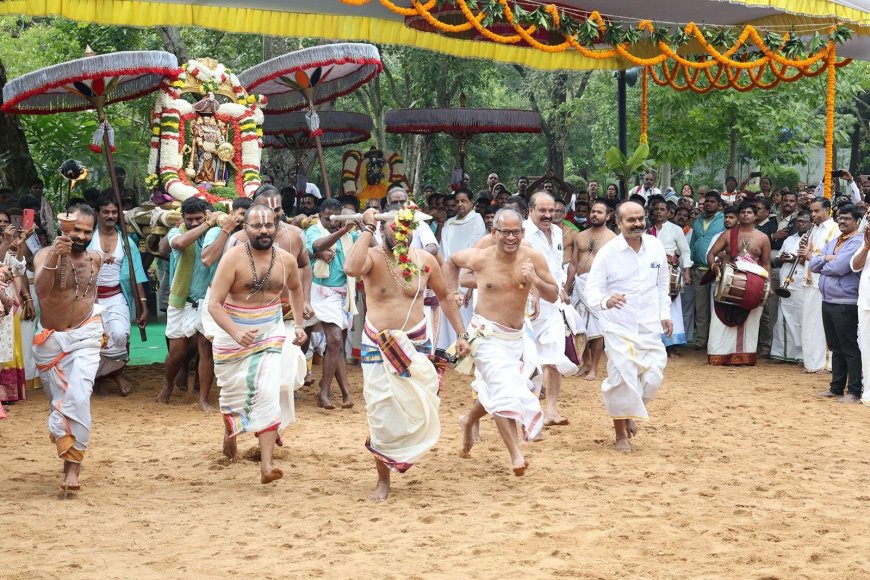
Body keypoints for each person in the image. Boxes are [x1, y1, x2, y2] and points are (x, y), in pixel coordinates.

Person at [345, 207, 470, 501]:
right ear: (382, 228)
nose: (401, 231)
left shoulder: (425, 261)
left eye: (407, 226)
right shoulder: (372, 258)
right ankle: (383, 480)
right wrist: (366, 228)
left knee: (417, 408)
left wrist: (462, 334)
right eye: (393, 226)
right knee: (380, 412)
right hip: (379, 343)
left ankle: (402, 452)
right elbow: (351, 268)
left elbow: (445, 297)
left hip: (416, 345)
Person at [444, 208, 559, 475]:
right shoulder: (480, 258)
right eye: (504, 232)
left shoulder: (534, 258)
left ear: (523, 232)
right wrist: (453, 292)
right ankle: (516, 454)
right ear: (494, 233)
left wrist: (535, 281)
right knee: (505, 392)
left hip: (517, 338)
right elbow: (451, 262)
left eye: (516, 232)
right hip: (486, 336)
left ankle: (469, 420)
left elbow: (554, 295)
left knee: (500, 390)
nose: (510, 237)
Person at [207, 205, 307, 483]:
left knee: (267, 390)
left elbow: (297, 290)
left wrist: (298, 325)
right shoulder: (233, 258)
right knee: (233, 392)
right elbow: (214, 304)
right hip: (233, 334)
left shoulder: (286, 259)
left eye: (269, 226)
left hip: (270, 331)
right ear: (245, 229)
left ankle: (266, 465)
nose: (264, 231)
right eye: (257, 226)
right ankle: (230, 432)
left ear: (276, 226)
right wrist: (237, 332)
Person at [585, 201, 672, 452]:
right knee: (623, 377)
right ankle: (620, 434)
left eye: (641, 218)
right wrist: (605, 301)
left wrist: (664, 314)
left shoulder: (655, 246)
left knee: (653, 377)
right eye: (631, 220)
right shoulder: (608, 252)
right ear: (619, 223)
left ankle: (631, 409)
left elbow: (662, 283)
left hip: (649, 324)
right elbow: (592, 290)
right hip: (618, 326)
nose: (637, 224)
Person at [32, 204, 103, 493]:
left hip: (85, 336)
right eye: (76, 229)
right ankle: (66, 457)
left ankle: (73, 468)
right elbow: (41, 289)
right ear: (64, 226)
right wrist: (54, 255)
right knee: (60, 404)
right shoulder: (43, 255)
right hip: (51, 341)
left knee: (79, 395)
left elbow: (89, 296)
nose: (81, 236)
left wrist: (99, 325)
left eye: (87, 231)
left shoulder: (95, 259)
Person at [156, 197, 221, 410]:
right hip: (181, 299)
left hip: (207, 298)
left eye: (198, 218)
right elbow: (179, 244)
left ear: (206, 214)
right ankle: (168, 385)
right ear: (183, 218)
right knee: (177, 352)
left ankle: (202, 398)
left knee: (205, 348)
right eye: (190, 219)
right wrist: (207, 223)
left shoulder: (216, 232)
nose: (193, 223)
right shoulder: (178, 231)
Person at [523, 192, 576, 426]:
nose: (548, 215)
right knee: (526, 360)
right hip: (525, 305)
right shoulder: (520, 233)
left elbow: (556, 266)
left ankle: (551, 410)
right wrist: (534, 291)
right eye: (542, 211)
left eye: (551, 211)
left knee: (554, 355)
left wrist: (562, 286)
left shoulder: (557, 232)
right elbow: (522, 269)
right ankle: (527, 411)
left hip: (553, 302)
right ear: (530, 211)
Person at [87, 196, 149, 397]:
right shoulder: (88, 239)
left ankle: (115, 374)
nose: (110, 216)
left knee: (121, 335)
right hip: (90, 299)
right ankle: (99, 379)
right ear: (98, 213)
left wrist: (143, 305)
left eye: (114, 212)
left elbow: (136, 274)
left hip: (116, 297)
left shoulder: (127, 242)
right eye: (106, 212)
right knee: (94, 339)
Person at [305, 198, 360, 409]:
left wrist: (365, 225)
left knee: (336, 341)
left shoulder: (350, 234)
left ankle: (327, 391)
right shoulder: (314, 231)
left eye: (336, 218)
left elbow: (372, 244)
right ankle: (300, 386)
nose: (332, 222)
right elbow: (317, 246)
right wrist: (343, 230)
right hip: (313, 292)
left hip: (340, 296)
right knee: (302, 343)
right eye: (328, 218)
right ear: (320, 216)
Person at [706, 202, 771, 365]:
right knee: (720, 320)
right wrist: (714, 266)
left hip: (753, 285)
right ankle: (719, 354)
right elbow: (711, 253)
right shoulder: (729, 234)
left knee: (750, 321)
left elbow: (766, 264)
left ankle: (745, 356)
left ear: (755, 216)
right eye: (742, 212)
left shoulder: (763, 238)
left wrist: (768, 285)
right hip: (729, 282)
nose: (745, 215)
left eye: (749, 212)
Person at [809, 205, 862, 403]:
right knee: (835, 346)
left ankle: (855, 391)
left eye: (847, 218)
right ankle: (836, 387)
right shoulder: (835, 241)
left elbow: (839, 267)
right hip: (828, 300)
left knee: (849, 347)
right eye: (840, 217)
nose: (842, 221)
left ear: (856, 221)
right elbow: (813, 264)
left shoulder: (857, 242)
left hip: (845, 301)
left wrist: (823, 262)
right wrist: (824, 259)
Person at [566, 199, 615, 380]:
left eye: (599, 212)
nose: (594, 214)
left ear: (607, 216)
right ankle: (584, 363)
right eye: (593, 211)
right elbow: (573, 264)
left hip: (599, 287)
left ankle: (594, 367)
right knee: (578, 327)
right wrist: (566, 287)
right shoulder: (580, 236)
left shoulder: (613, 239)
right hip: (579, 284)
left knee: (597, 329)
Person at [436, 190, 486, 354]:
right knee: (449, 307)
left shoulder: (477, 221)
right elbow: (444, 249)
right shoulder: (449, 223)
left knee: (466, 312)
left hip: (467, 274)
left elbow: (474, 251)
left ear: (472, 202)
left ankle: (466, 349)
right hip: (450, 273)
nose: (460, 205)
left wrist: (468, 275)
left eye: (464, 201)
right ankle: (449, 348)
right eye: (457, 201)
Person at [646, 196, 692, 356]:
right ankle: (655, 344)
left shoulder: (675, 229)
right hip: (650, 274)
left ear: (668, 212)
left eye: (662, 209)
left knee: (671, 308)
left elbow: (685, 251)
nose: (659, 212)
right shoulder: (646, 229)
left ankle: (671, 345)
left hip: (670, 274)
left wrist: (687, 272)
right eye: (656, 209)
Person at [799, 197, 839, 373]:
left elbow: (836, 258)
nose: (813, 214)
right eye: (811, 211)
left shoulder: (836, 229)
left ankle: (826, 364)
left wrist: (810, 256)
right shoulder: (813, 229)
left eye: (816, 211)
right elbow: (808, 256)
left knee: (823, 324)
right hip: (809, 282)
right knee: (810, 323)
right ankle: (812, 362)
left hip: (824, 283)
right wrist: (803, 252)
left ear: (827, 210)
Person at [771, 211, 811, 363]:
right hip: (785, 283)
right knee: (782, 319)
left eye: (804, 221)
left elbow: (814, 261)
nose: (801, 224)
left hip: (801, 284)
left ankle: (801, 355)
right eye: (798, 221)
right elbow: (778, 260)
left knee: (800, 319)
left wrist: (795, 259)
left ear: (810, 223)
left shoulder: (812, 239)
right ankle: (781, 353)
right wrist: (781, 259)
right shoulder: (789, 239)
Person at [689, 191, 724, 350]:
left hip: (716, 270)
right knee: (701, 308)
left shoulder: (723, 220)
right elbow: (693, 243)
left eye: (712, 201)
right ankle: (702, 340)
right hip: (699, 269)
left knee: (716, 307)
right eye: (706, 202)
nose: (708, 204)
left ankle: (715, 341)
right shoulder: (697, 221)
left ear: (718, 204)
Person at [849, 222, 870, 406]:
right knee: (867, 348)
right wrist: (866, 246)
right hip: (866, 302)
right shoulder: (865, 242)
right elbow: (855, 266)